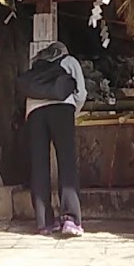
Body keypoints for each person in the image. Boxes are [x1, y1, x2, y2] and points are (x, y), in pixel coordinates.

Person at [26, 41, 87, 237]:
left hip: (34, 113)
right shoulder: (69, 61)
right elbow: (81, 92)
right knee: (66, 162)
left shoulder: (36, 66)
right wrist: (73, 111)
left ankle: (44, 222)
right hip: (62, 109)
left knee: (39, 164)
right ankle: (70, 219)